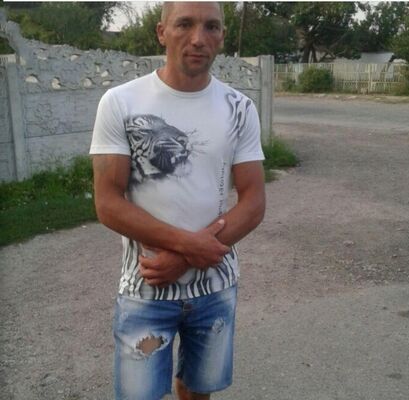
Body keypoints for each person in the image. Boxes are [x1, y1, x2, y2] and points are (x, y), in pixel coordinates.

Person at [90, 2, 265, 399]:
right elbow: (108, 203)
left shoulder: (239, 108)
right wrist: (189, 246)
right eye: (184, 24)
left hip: (215, 286)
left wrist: (185, 259)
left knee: (199, 390)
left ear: (222, 36)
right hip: (146, 288)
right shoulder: (120, 102)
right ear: (161, 32)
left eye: (211, 27)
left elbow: (254, 201)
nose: (198, 38)